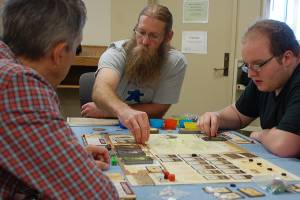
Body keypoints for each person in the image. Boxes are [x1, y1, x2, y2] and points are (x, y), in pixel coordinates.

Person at [0, 0, 118, 199]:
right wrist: (73, 167)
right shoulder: (17, 82)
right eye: (76, 48)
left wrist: (63, 160)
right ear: (59, 52)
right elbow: (99, 195)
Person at [81, 4, 187, 144]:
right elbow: (101, 89)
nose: (144, 41)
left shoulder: (175, 62)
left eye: (153, 36)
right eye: (141, 32)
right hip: (106, 126)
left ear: (168, 37)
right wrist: (122, 112)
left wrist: (107, 111)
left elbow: (158, 110)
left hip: (144, 130)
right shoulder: (116, 53)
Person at [198, 19, 300, 158]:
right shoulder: (265, 78)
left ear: (287, 58)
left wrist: (260, 134)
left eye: (258, 65)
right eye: (248, 66)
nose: (251, 74)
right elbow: (239, 115)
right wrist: (216, 117)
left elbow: (285, 145)